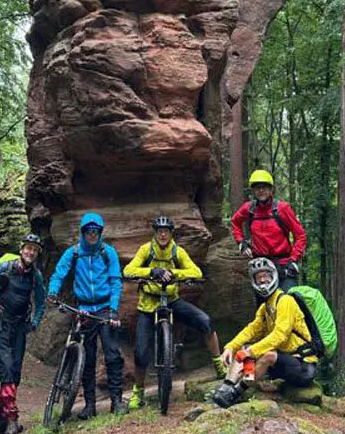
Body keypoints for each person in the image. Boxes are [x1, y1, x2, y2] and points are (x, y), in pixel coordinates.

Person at [124, 215, 226, 410]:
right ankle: (138, 391)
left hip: (171, 300)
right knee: (141, 353)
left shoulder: (177, 252)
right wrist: (151, 272)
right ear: (155, 233)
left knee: (205, 321)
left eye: (166, 231)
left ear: (171, 234)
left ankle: (218, 363)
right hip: (148, 305)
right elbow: (129, 270)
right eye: (159, 231)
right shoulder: (146, 250)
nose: (163, 234)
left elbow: (196, 272)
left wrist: (175, 275)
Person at [46, 212, 124, 418]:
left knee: (112, 354)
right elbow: (59, 273)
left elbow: (116, 281)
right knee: (87, 358)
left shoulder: (109, 253)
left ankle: (117, 400)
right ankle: (90, 405)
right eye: (88, 231)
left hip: (105, 308)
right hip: (85, 310)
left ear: (100, 232)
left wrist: (114, 308)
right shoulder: (73, 253)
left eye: (95, 231)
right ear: (82, 232)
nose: (92, 234)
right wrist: (53, 291)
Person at [212, 257, 318, 408]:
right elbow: (251, 330)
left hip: (304, 365)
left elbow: (280, 336)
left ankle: (237, 392)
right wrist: (230, 347)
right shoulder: (265, 307)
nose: (262, 281)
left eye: (265, 276)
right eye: (258, 277)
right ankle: (227, 387)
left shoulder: (285, 301)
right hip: (284, 361)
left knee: (265, 355)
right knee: (245, 350)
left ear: (273, 276)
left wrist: (251, 351)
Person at [0, 232, 47, 434]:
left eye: (34, 250)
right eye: (28, 248)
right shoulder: (4, 269)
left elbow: (41, 302)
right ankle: (11, 418)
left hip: (20, 327)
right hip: (1, 325)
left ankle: (1, 416)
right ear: (21, 249)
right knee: (7, 367)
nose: (30, 252)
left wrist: (34, 322)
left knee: (15, 371)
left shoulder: (35, 276)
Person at [230, 169, 306, 291]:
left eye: (265, 187)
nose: (261, 190)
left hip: (284, 264)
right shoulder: (249, 209)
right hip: (261, 266)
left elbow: (300, 235)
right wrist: (241, 243)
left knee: (290, 300)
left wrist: (293, 260)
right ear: (253, 191)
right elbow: (235, 222)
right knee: (264, 305)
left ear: (271, 189)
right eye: (257, 187)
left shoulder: (282, 208)